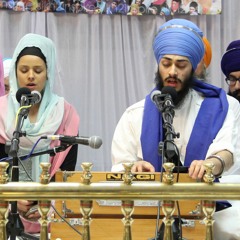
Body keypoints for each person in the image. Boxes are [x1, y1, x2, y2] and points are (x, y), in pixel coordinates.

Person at [111, 18, 240, 181]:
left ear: (193, 69)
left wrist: (211, 164)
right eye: (166, 64)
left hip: (205, 203)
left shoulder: (219, 108)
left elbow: (226, 152)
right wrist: (133, 169)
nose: (172, 72)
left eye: (181, 65)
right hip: (149, 204)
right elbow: (119, 166)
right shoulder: (135, 114)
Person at [0, 33, 80, 233]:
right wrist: (10, 198)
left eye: (38, 70)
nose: (30, 76)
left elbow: (66, 173)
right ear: (15, 72)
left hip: (50, 219)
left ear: (48, 72)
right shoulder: (0, 111)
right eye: (23, 70)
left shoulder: (64, 113)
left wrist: (48, 201)